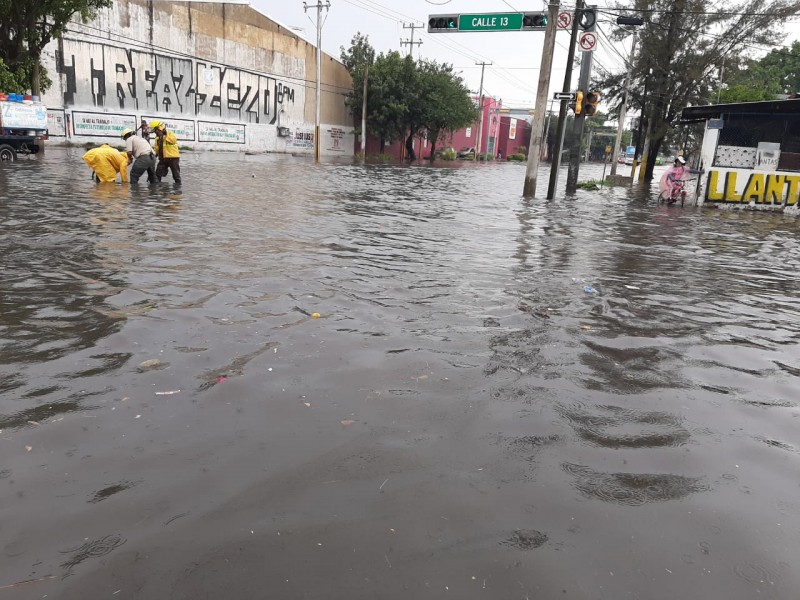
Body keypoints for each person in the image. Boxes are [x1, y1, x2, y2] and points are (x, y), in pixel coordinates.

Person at [150, 120, 181, 184]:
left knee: (176, 175)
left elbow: (173, 141)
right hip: (163, 158)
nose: (155, 133)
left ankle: (178, 188)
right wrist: (153, 155)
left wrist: (165, 134)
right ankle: (158, 190)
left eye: (156, 131)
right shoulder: (157, 138)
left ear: (159, 128)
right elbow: (156, 148)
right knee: (158, 174)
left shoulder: (170, 133)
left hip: (173, 158)